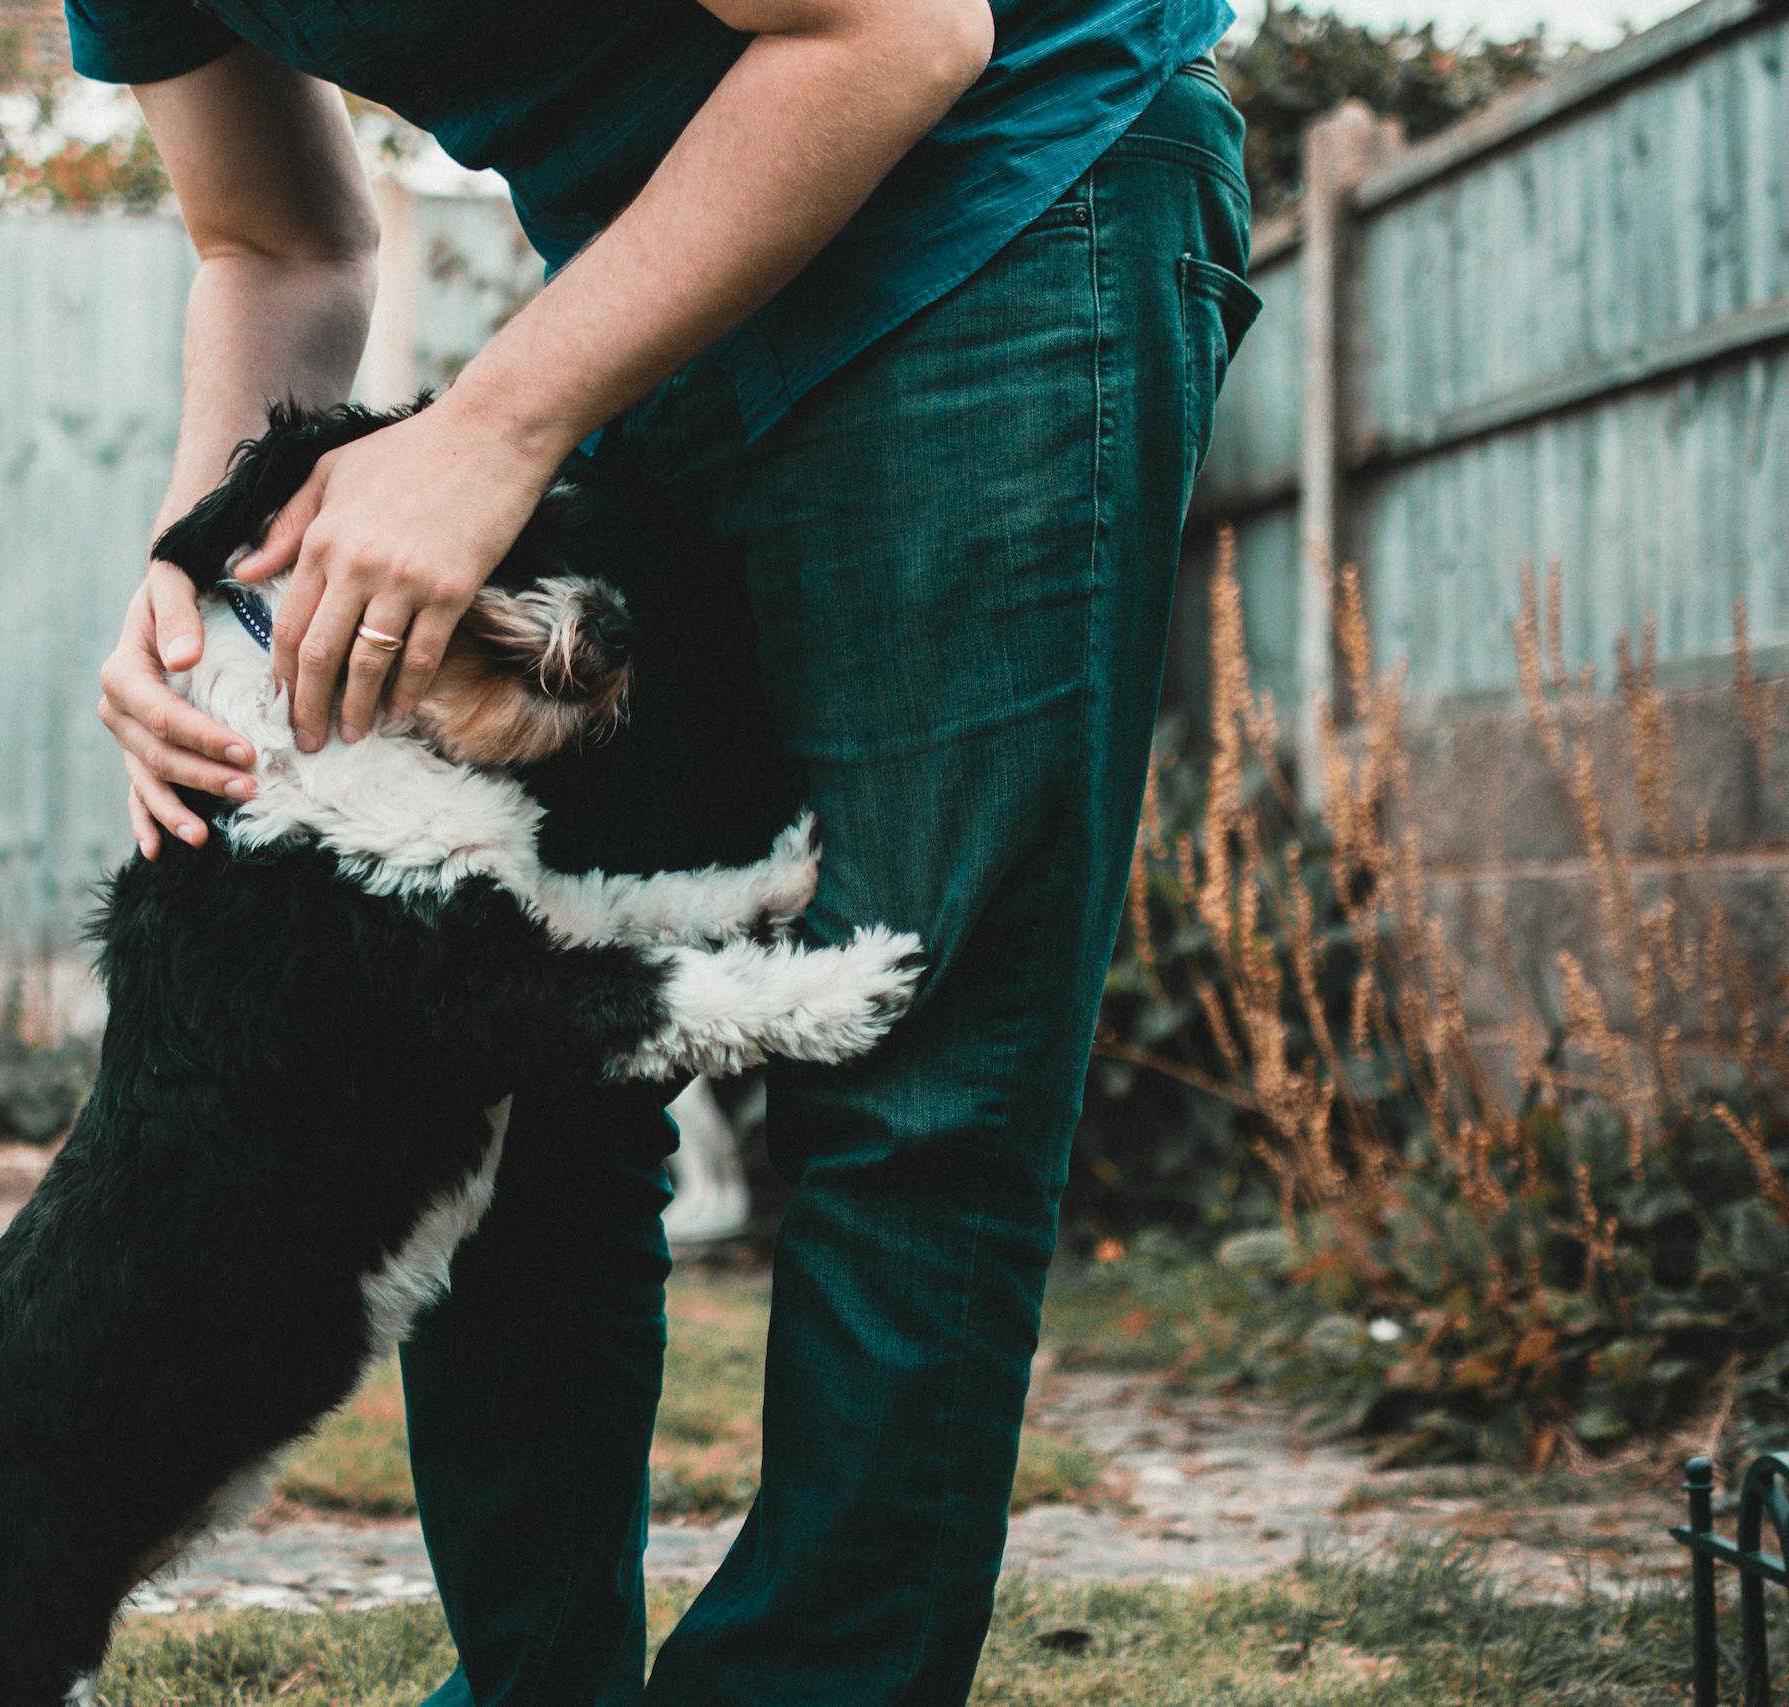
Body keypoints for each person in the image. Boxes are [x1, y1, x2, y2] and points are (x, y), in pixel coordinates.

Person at [89, 1, 1257, 1700]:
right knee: (497, 1049)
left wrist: (492, 427)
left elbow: (893, 33)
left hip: (1001, 195)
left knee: (920, 1053)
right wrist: (203, 574)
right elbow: (275, 237)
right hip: (666, 281)